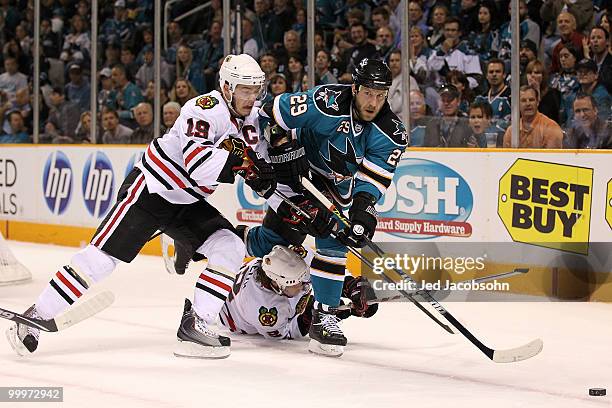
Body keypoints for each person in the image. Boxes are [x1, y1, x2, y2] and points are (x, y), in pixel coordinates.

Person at [6, 54, 276, 359]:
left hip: (188, 201)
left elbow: (261, 161)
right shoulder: (204, 109)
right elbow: (199, 164)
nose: (252, 97)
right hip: (152, 190)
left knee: (229, 246)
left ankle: (198, 323)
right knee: (101, 260)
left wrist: (268, 175)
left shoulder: (252, 119)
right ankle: (34, 317)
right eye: (245, 90)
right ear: (227, 87)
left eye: (256, 90)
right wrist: (245, 166)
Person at [244, 59, 407, 357]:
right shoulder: (326, 102)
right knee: (278, 240)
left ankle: (324, 317)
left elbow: (373, 177)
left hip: (335, 188)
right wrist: (281, 148)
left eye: (380, 95)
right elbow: (271, 112)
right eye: (368, 93)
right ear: (355, 87)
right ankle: (217, 241)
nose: (373, 102)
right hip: (295, 173)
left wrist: (362, 210)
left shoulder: (393, 132)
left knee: (335, 235)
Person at [218, 245, 378, 340]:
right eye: (297, 283)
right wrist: (315, 313)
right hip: (235, 319)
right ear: (278, 285)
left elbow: (324, 265)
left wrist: (351, 287)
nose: (305, 285)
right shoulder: (266, 310)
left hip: (242, 292)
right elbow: (288, 331)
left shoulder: (290, 258)